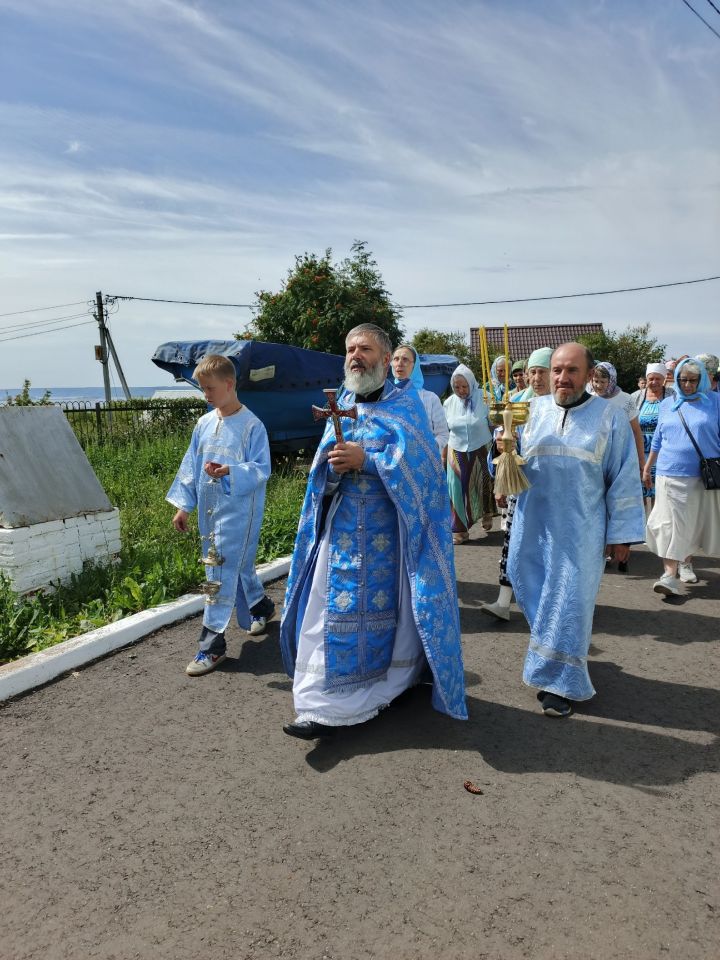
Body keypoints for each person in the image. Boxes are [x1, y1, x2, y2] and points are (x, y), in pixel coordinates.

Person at [280, 323, 467, 740]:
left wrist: (370, 461)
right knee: (327, 611)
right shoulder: (340, 404)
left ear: (385, 359)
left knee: (396, 619)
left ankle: (394, 684)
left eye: (364, 348)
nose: (354, 356)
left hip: (391, 531)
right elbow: (318, 477)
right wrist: (330, 471)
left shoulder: (408, 407)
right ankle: (319, 706)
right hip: (342, 529)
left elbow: (423, 473)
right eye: (349, 349)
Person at [506, 343, 645, 718]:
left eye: (571, 371)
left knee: (569, 602)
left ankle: (560, 684)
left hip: (580, 531)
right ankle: (552, 657)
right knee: (528, 586)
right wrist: (501, 454)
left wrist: (621, 535)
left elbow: (624, 477)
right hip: (531, 525)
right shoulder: (530, 411)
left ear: (587, 375)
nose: (562, 378)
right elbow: (507, 469)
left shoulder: (609, 416)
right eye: (556, 370)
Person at [167, 354, 275, 676]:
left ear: (229, 385)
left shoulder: (253, 426)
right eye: (202, 389)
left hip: (239, 513)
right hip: (209, 515)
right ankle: (261, 607)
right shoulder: (204, 424)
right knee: (237, 566)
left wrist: (230, 471)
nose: (206, 395)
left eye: (210, 388)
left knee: (218, 573)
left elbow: (261, 469)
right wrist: (184, 505)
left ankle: (211, 646)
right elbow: (190, 465)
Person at [481, 346, 552, 622]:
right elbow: (500, 447)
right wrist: (501, 452)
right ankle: (503, 602)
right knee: (513, 543)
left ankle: (547, 604)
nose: (536, 378)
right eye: (532, 372)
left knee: (546, 547)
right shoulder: (516, 402)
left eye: (542, 372)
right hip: (520, 488)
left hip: (550, 489)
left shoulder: (561, 406)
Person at [643, 357, 720, 595]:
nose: (687, 385)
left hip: (700, 476)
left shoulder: (715, 403)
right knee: (667, 524)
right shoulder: (668, 403)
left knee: (687, 525)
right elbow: (658, 438)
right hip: (667, 473)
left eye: (692, 380)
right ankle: (669, 575)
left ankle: (682, 565)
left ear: (702, 380)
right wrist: (647, 467)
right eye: (683, 379)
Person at [443, 364, 494, 544]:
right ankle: (460, 530)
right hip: (456, 448)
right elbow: (444, 429)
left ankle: (487, 513)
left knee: (482, 485)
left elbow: (494, 423)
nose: (461, 390)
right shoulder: (449, 403)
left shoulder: (485, 397)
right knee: (455, 488)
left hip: (482, 446)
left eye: (464, 386)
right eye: (457, 387)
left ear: (472, 384)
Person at [391, 344, 449, 453]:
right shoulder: (386, 397)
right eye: (396, 359)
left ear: (415, 365)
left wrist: (428, 450)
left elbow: (443, 434)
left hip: (424, 462)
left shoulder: (430, 398)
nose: (399, 363)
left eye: (405, 359)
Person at [632, 362, 673, 510]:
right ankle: (642, 528)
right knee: (640, 493)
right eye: (651, 378)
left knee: (660, 495)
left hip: (662, 452)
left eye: (658, 378)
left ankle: (657, 528)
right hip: (640, 452)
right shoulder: (636, 397)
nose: (654, 382)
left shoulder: (672, 396)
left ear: (663, 380)